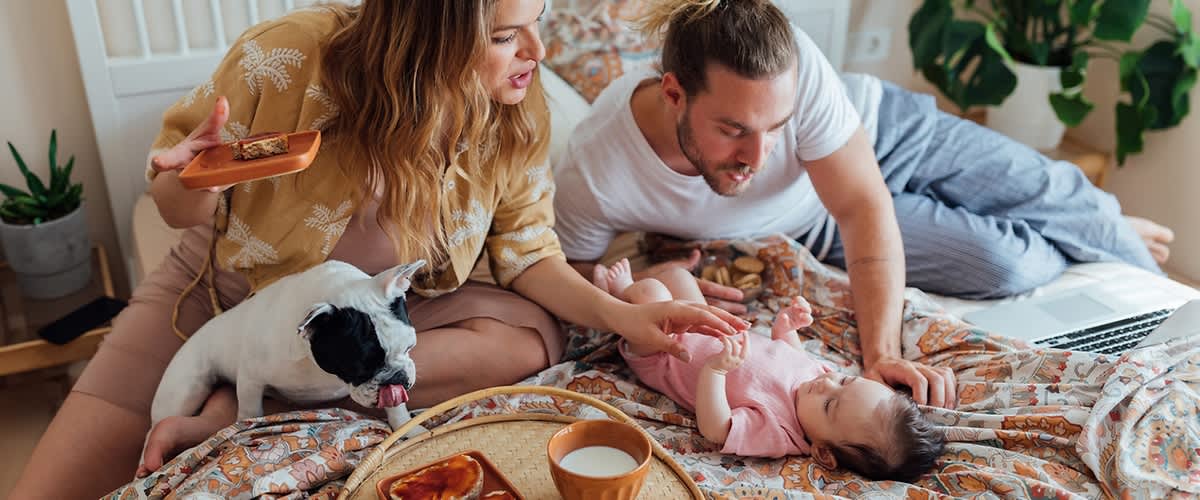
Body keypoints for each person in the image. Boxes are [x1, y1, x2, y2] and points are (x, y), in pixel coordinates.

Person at [11, 2, 747, 498]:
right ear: (428, 33)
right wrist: (194, 176)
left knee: (532, 337)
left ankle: (252, 398)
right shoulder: (282, 61)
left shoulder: (516, 112)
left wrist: (625, 319)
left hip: (392, 304)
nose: (536, 53)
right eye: (504, 35)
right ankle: (266, 376)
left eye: (539, 21)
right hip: (224, 299)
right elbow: (174, 205)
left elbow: (529, 255)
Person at [553, 0, 1173, 408]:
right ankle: (1080, 231)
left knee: (1057, 193)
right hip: (811, 222)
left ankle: (1103, 228)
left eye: (778, 126)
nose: (762, 153)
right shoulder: (597, 165)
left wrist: (881, 355)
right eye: (734, 130)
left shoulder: (792, 66)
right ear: (673, 93)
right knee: (1007, 266)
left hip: (882, 134)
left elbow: (862, 203)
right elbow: (573, 281)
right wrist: (648, 282)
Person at [594, 259, 945, 481]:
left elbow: (717, 429)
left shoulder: (779, 432)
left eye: (830, 405)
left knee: (651, 291)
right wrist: (786, 326)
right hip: (703, 325)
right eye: (844, 380)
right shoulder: (820, 381)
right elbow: (789, 354)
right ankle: (630, 297)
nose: (826, 383)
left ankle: (616, 295)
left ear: (822, 451)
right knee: (678, 276)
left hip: (664, 352)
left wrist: (715, 373)